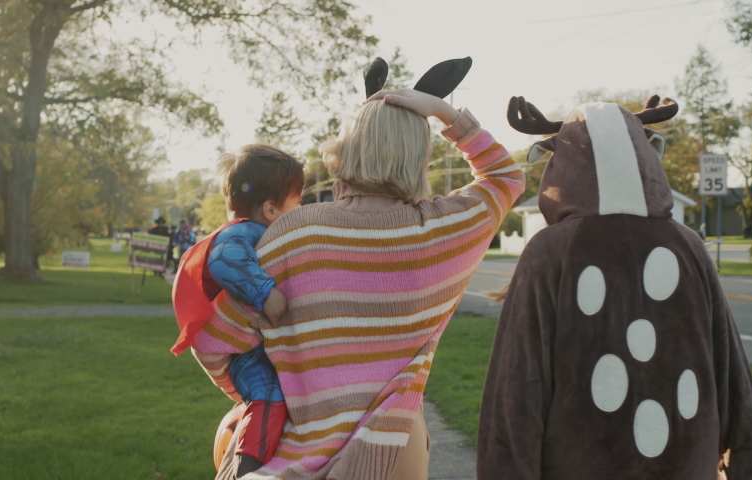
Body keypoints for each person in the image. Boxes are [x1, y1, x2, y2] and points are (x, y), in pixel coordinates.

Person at [210, 80, 524, 478]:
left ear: (343, 151)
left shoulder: (290, 233)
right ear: (419, 159)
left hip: (281, 462)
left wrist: (264, 399)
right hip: (392, 455)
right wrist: (445, 113)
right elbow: (506, 177)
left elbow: (215, 343)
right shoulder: (442, 231)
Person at [477, 96, 752, 479]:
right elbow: (736, 384)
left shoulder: (549, 252)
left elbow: (515, 396)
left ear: (561, 163)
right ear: (646, 153)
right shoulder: (689, 247)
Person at [171, 145, 304, 477]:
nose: (301, 210)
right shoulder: (243, 233)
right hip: (235, 351)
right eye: (297, 203)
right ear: (272, 209)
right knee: (269, 393)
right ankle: (248, 468)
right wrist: (265, 293)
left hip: (245, 343)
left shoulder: (259, 231)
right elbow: (223, 259)